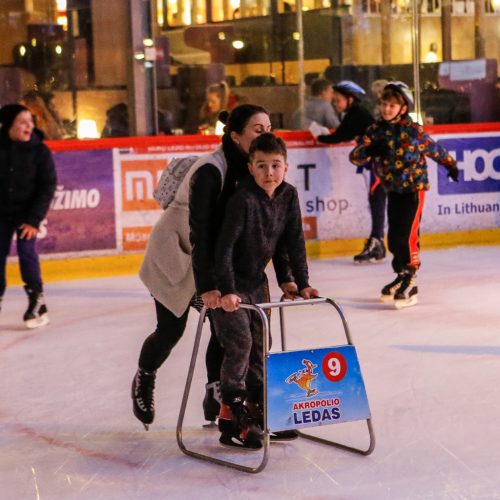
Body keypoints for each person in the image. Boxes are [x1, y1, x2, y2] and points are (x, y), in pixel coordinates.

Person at [132, 104, 294, 431]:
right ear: (235, 136)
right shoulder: (211, 170)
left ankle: (216, 390)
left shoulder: (254, 168)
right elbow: (201, 233)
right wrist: (209, 285)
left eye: (268, 128)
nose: (266, 134)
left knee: (228, 327)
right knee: (171, 330)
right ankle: (145, 377)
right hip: (178, 259)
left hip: (214, 261)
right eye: (257, 130)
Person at [212, 133, 319, 449]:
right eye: (261, 166)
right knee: (240, 343)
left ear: (286, 166)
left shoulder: (288, 196)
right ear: (250, 167)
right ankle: (231, 415)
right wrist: (227, 290)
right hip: (230, 284)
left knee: (262, 344)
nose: (269, 172)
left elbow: (292, 241)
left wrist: (296, 280)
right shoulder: (242, 199)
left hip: (258, 282)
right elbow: (225, 249)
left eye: (275, 165)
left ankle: (260, 411)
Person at [349, 82, 459, 308]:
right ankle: (401, 273)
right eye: (384, 104)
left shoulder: (414, 131)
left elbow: (434, 149)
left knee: (407, 236)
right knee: (393, 239)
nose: (387, 109)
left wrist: (451, 165)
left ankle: (411, 278)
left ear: (403, 107)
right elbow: (355, 156)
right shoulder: (375, 130)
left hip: (413, 190)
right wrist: (369, 150)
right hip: (393, 190)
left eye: (393, 105)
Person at [316, 80, 387, 263]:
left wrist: (318, 136)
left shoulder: (356, 114)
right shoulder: (356, 113)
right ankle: (377, 241)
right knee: (375, 197)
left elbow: (339, 136)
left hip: (378, 161)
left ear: (350, 99)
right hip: (375, 160)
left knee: (377, 197)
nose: (335, 104)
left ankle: (377, 242)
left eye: (338, 100)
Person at [0, 104, 57, 327]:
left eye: (30, 121)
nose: (29, 126)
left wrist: (34, 220)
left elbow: (47, 186)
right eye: (22, 122)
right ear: (8, 127)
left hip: (27, 213)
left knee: (26, 253)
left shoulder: (40, 151)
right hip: (2, 212)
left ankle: (37, 302)